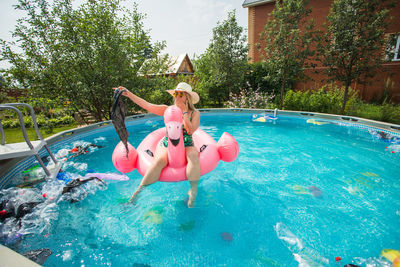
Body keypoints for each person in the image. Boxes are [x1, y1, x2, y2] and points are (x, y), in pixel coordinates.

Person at [114, 82, 201, 208]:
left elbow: (190, 130)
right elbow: (147, 105)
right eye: (176, 93)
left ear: (187, 97)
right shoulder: (167, 110)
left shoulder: (195, 113)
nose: (177, 97)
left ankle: (192, 192)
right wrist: (129, 94)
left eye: (180, 94)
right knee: (159, 160)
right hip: (167, 142)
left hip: (187, 142)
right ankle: (136, 196)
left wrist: (185, 113)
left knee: (193, 156)